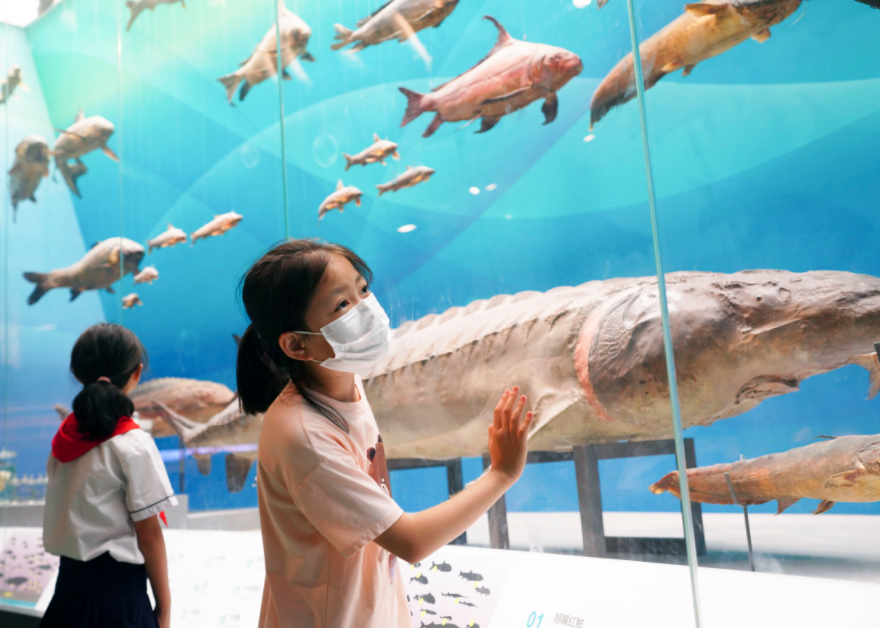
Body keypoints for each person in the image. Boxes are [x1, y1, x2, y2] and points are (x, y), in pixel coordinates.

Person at [236, 239, 534, 628]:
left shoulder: (346, 382)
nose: (366, 309)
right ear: (296, 344)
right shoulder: (304, 436)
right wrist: (502, 474)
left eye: (363, 290)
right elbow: (410, 541)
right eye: (342, 305)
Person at [40, 323, 177, 628]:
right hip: (120, 602)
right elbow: (149, 536)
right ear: (137, 372)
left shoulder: (61, 441)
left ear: (77, 374)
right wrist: (164, 608)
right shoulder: (133, 444)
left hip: (67, 597)